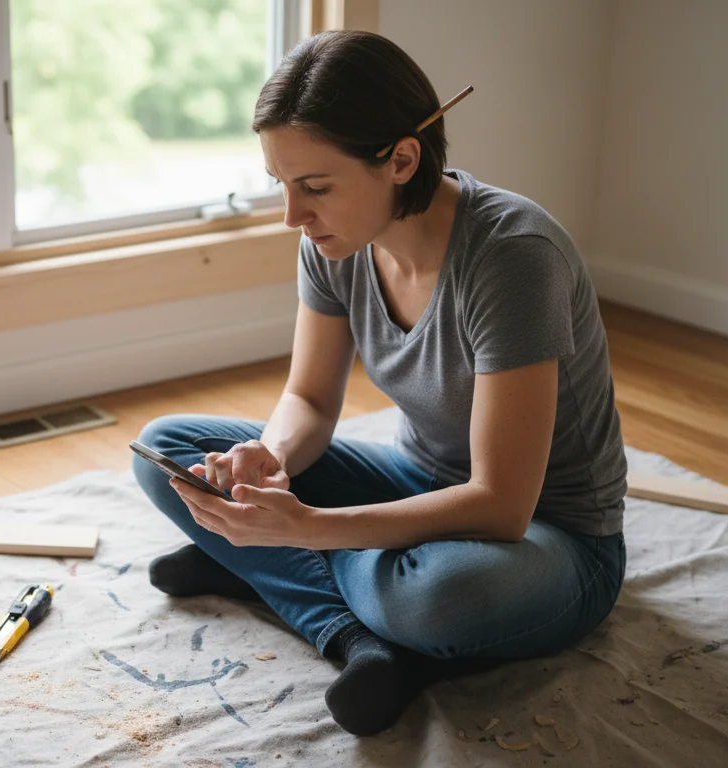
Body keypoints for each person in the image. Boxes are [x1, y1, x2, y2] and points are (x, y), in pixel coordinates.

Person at [131, 30, 628, 736]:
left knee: (437, 599)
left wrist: (307, 528)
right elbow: (307, 400)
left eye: (316, 187)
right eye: (282, 185)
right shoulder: (334, 244)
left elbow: (501, 505)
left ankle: (272, 572)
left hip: (553, 541)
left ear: (401, 159)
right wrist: (268, 461)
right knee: (169, 451)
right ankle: (356, 635)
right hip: (418, 484)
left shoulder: (513, 257)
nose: (293, 217)